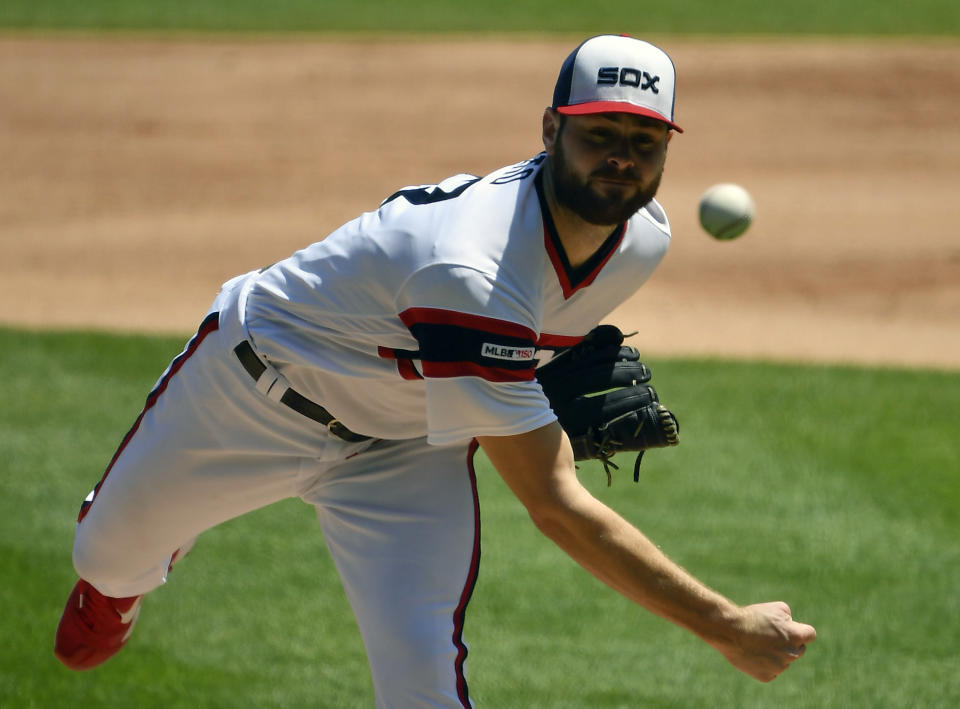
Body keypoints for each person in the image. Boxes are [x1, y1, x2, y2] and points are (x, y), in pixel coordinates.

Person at [54, 35, 816, 706]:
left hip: (406, 447)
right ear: (550, 129)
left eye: (645, 141)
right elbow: (552, 503)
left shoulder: (643, 238)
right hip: (249, 396)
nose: (621, 156)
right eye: (600, 132)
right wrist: (724, 624)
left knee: (423, 680)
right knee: (105, 555)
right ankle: (134, 569)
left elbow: (525, 341)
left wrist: (520, 380)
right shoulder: (468, 267)